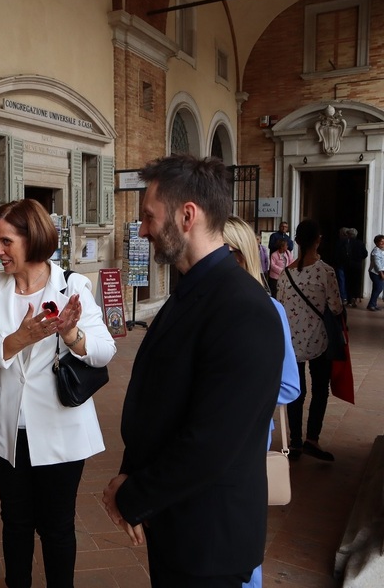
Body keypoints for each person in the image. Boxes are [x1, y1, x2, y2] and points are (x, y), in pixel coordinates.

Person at [102, 154, 284, 588]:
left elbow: (213, 442)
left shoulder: (244, 309)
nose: (142, 230)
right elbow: (161, 403)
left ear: (187, 216)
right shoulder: (192, 292)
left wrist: (132, 496)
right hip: (177, 521)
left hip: (210, 540)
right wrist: (131, 478)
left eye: (149, 216)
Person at [0, 198, 116, 588]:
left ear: (31, 238)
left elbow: (104, 352)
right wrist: (16, 340)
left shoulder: (72, 285)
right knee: (14, 521)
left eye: (6, 242)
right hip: (8, 427)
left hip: (60, 426)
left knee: (57, 525)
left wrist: (72, 334)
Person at [222, 216, 300, 588]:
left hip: (245, 440)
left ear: (238, 257)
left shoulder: (269, 310)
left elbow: (288, 385)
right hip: (198, 443)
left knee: (240, 535)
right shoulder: (195, 306)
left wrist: (231, 402)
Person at [276, 219, 343, 462]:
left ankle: (295, 442)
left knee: (297, 391)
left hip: (292, 342)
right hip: (319, 341)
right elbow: (335, 308)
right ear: (318, 240)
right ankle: (312, 439)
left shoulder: (285, 274)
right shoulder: (326, 272)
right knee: (320, 390)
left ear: (296, 240)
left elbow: (280, 306)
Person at [344, 228, 368, 307]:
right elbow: (365, 254)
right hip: (358, 265)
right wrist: (359, 258)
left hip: (348, 265)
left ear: (349, 235)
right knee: (357, 282)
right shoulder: (360, 243)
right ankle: (356, 298)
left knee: (349, 282)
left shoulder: (347, 243)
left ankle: (350, 299)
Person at [367, 234, 384, 311]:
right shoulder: (376, 251)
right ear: (376, 243)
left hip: (379, 272)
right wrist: (381, 273)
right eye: (381, 242)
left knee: (377, 288)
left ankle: (373, 304)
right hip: (375, 273)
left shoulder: (381, 250)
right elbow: (377, 263)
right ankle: (371, 305)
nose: (383, 243)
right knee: (378, 288)